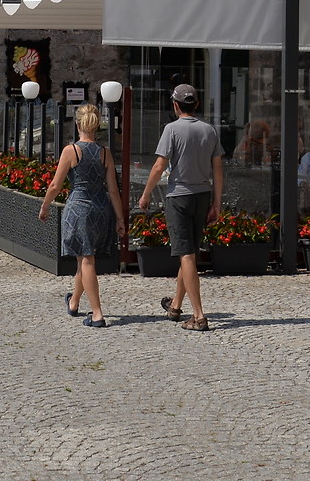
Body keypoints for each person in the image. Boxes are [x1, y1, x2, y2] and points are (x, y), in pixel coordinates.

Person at [137, 84, 221, 332]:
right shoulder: (210, 130)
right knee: (190, 255)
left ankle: (198, 315)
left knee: (185, 255)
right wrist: (217, 202)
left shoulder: (171, 130)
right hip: (203, 195)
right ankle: (175, 306)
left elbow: (159, 166)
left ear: (175, 105)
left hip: (179, 196)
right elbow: (218, 169)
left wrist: (146, 194)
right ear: (195, 104)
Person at [39, 104, 124, 328]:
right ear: (97, 126)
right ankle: (74, 302)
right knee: (83, 258)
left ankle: (97, 314)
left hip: (78, 209)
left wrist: (45, 206)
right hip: (101, 209)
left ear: (78, 125)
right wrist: (120, 219)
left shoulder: (71, 151)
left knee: (86, 259)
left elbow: (56, 185)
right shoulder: (105, 153)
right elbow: (113, 189)